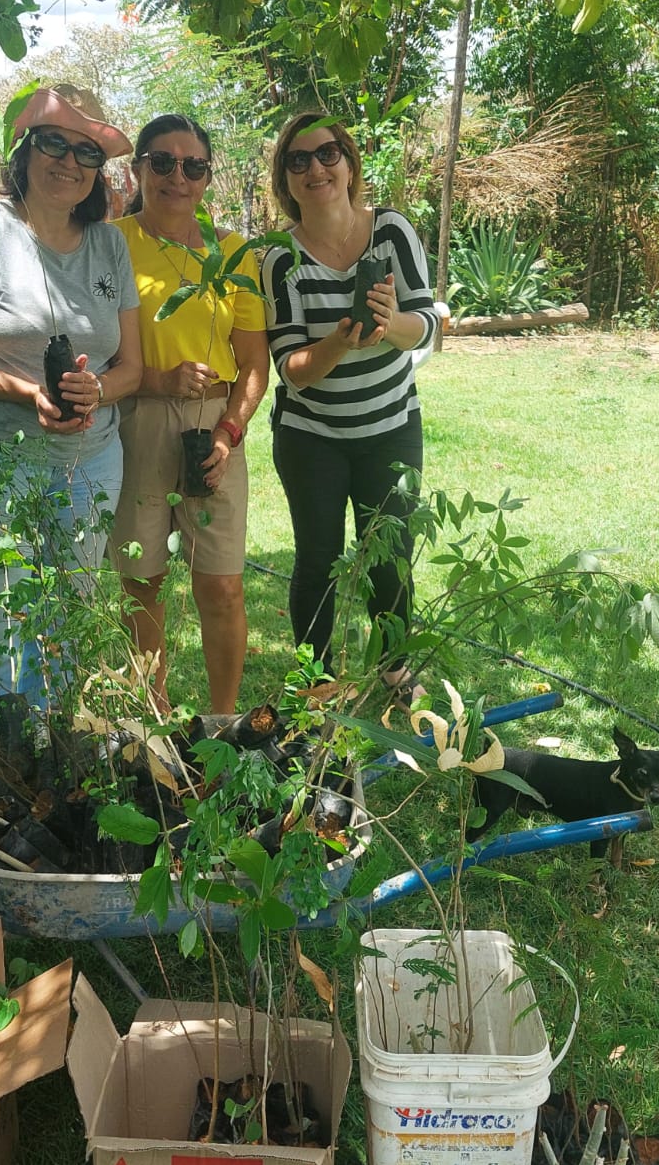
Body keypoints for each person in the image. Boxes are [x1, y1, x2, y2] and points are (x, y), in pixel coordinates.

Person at [0, 85, 142, 741]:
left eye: (86, 152)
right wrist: (25, 394)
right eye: (53, 142)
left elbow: (132, 367)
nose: (69, 162)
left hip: (87, 462)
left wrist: (98, 392)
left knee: (65, 626)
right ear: (24, 151)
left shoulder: (109, 247)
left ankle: (47, 778)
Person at [261, 110, 442, 697]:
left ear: (349, 162)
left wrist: (390, 327)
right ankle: (314, 679)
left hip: (391, 424)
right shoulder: (277, 259)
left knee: (390, 552)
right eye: (299, 160)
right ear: (286, 180)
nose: (316, 167)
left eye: (327, 153)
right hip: (310, 434)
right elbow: (292, 373)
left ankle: (395, 669)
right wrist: (340, 340)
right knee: (317, 557)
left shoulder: (391, 231)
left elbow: (429, 327)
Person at [109, 114, 269, 716]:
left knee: (222, 585)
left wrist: (230, 433)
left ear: (207, 176)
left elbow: (255, 362)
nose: (179, 176)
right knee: (142, 582)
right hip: (137, 421)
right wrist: (158, 379)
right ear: (138, 168)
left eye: (193, 165)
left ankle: (223, 722)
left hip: (215, 426)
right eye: (163, 162)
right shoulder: (112, 242)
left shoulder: (233, 253)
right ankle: (153, 722)